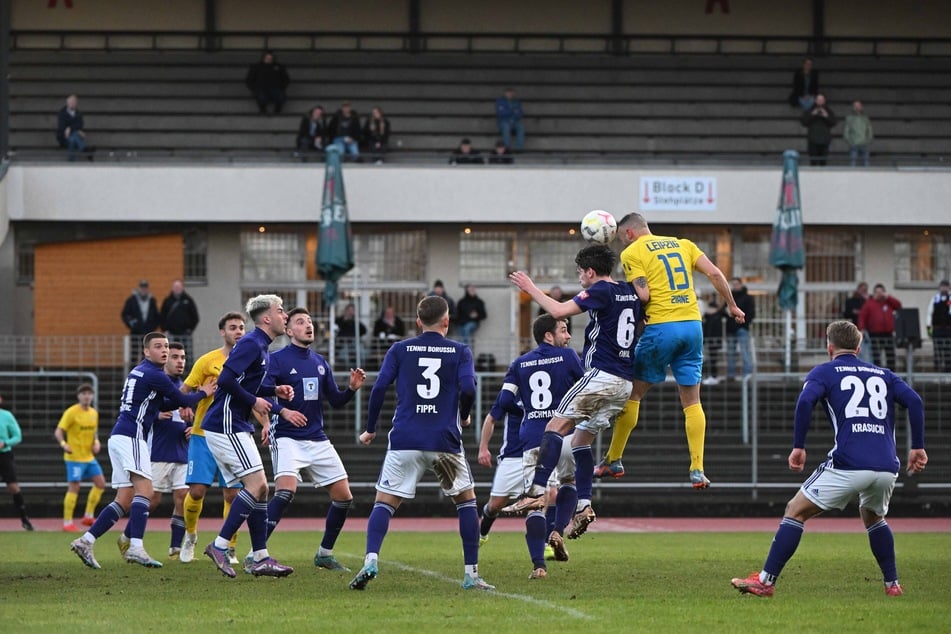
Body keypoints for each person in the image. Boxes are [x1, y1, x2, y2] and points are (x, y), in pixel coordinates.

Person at [731, 320, 927, 598]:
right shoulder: (884, 374)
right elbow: (915, 402)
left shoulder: (824, 371)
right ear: (859, 348)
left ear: (829, 347)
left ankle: (766, 580)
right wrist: (917, 447)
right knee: (874, 517)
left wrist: (798, 446)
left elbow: (805, 401)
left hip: (849, 462)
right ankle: (892, 584)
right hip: (886, 466)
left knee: (795, 511)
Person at [349, 296, 494, 592]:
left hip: (405, 439)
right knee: (466, 502)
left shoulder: (400, 349)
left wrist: (369, 429)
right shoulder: (460, 350)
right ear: (447, 320)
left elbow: (378, 388)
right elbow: (468, 388)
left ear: (417, 322)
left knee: (384, 502)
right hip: (444, 440)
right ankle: (471, 574)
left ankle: (371, 559)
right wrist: (464, 417)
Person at [501, 245, 641, 544]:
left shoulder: (601, 289)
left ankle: (535, 492)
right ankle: (585, 505)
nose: (579, 278)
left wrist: (530, 287)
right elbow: (643, 309)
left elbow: (558, 310)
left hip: (602, 375)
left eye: (579, 272)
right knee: (580, 441)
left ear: (590, 271)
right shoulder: (630, 290)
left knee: (554, 427)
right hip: (625, 384)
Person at [599, 212, 745, 488]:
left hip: (661, 328)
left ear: (628, 233)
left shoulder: (632, 252)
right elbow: (715, 273)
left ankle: (613, 459)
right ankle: (697, 469)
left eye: (620, 237)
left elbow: (643, 295)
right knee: (692, 401)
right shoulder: (684, 244)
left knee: (634, 394)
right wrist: (732, 306)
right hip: (692, 326)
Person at [69, 332, 213, 570]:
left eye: (166, 346)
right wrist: (204, 392)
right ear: (146, 351)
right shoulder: (155, 374)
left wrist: (182, 401)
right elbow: (182, 399)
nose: (164, 350)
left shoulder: (139, 371)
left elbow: (163, 403)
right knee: (146, 491)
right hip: (132, 436)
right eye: (158, 346)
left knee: (124, 497)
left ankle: (87, 540)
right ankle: (135, 546)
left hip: (119, 435)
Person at [254, 307, 366, 573]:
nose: (308, 325)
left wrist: (350, 389)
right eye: (301, 322)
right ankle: (257, 554)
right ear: (289, 330)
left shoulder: (320, 361)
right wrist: (282, 412)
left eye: (310, 321)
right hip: (286, 437)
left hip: (317, 439)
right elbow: (261, 394)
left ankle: (324, 554)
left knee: (344, 497)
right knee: (285, 491)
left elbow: (336, 401)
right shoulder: (276, 359)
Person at [200, 294, 296, 578]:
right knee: (257, 485)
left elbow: (247, 383)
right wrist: (255, 401)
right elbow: (226, 380)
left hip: (235, 424)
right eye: (281, 311)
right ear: (267, 318)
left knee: (261, 488)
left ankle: (260, 557)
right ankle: (219, 546)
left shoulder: (261, 347)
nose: (285, 316)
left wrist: (272, 393)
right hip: (226, 424)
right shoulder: (251, 343)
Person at [495, 314, 584, 579]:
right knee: (568, 483)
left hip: (534, 436)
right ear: (549, 335)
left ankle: (539, 566)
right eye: (564, 330)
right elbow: (584, 388)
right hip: (565, 432)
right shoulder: (568, 357)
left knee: (535, 502)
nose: (568, 336)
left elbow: (503, 401)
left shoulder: (519, 363)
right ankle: (557, 529)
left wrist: (528, 412)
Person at [179, 311, 247, 564]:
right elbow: (184, 390)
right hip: (202, 434)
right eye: (233, 327)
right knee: (196, 491)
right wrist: (186, 404)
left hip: (232, 434)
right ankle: (191, 536)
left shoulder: (250, 361)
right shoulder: (208, 361)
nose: (238, 331)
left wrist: (264, 424)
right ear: (223, 332)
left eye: (241, 327)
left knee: (232, 494)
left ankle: (229, 546)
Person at [142, 341, 192, 560]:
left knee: (182, 497)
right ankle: (130, 539)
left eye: (182, 357)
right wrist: (154, 415)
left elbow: (193, 413)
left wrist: (193, 426)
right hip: (158, 451)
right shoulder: (156, 384)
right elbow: (136, 410)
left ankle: (175, 548)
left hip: (182, 450)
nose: (180, 361)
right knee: (151, 500)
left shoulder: (186, 386)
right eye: (175, 357)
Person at [55, 383, 106, 532]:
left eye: (89, 393)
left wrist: (96, 442)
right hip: (74, 458)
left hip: (88, 457)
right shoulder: (71, 412)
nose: (86, 396)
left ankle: (88, 516)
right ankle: (67, 522)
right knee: (74, 487)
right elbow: (58, 431)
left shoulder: (93, 413)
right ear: (79, 396)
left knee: (101, 483)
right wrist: (64, 444)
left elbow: (94, 432)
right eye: (83, 393)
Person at [0, 394, 33, 531]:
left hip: (4, 455)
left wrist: (5, 442)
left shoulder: (6, 416)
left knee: (13, 486)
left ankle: (24, 519)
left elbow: (17, 436)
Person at [857, 283, 902, 370]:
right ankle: (877, 373)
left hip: (888, 334)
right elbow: (862, 316)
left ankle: (891, 373)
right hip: (875, 334)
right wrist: (861, 328)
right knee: (876, 356)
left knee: (890, 355)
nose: (879, 294)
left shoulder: (889, 302)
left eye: (881, 292)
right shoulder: (869, 304)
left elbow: (898, 305)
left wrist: (888, 297)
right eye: (877, 292)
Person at [159, 279, 200, 364]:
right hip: (171, 333)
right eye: (175, 287)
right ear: (172, 288)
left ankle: (187, 371)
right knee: (171, 353)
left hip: (185, 333)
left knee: (187, 354)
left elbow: (195, 317)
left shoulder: (188, 300)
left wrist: (190, 329)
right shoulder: (167, 301)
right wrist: (164, 330)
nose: (177, 289)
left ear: (182, 288)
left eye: (179, 287)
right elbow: (162, 316)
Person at [121, 280, 161, 363]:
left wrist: (152, 327)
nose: (143, 290)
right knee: (134, 353)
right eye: (142, 288)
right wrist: (132, 324)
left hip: (148, 332)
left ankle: (145, 372)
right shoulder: (132, 300)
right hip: (136, 331)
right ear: (139, 288)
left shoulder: (152, 301)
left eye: (145, 288)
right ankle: (133, 372)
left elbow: (156, 316)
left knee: (147, 353)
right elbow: (125, 314)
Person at [724, 277, 756, 380]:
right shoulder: (729, 298)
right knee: (730, 353)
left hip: (742, 328)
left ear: (741, 284)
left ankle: (747, 374)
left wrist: (743, 322)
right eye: (733, 284)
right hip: (731, 328)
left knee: (745, 351)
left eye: (736, 284)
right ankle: (731, 374)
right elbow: (724, 311)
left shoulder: (747, 298)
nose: (735, 286)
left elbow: (751, 313)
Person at [245, 51, 289, 115]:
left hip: (275, 88)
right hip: (261, 88)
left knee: (281, 96)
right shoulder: (256, 67)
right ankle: (263, 109)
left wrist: (282, 87)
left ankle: (277, 110)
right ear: (263, 58)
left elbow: (286, 79)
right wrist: (254, 89)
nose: (269, 59)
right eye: (267, 58)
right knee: (261, 97)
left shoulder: (279, 66)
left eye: (270, 58)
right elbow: (249, 80)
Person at [801, 94, 837, 166]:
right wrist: (812, 114)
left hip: (824, 140)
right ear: (815, 101)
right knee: (813, 161)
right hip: (813, 140)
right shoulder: (810, 110)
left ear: (824, 101)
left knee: (823, 162)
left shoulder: (828, 111)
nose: (820, 101)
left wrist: (826, 116)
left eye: (821, 100)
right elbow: (804, 122)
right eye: (818, 100)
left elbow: (834, 122)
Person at [844, 282, 873, 363]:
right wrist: (854, 312)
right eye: (862, 290)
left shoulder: (869, 300)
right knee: (857, 348)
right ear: (858, 290)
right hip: (856, 328)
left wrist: (867, 300)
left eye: (865, 290)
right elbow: (846, 314)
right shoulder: (851, 301)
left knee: (868, 350)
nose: (863, 292)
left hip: (869, 329)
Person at [926, 279, 951, 373]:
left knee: (948, 351)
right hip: (937, 330)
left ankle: (948, 371)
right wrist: (929, 329)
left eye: (946, 287)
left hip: (949, 330)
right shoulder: (935, 299)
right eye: (942, 286)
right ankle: (937, 370)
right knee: (937, 351)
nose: (944, 289)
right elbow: (929, 314)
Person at [55, 94, 89, 161]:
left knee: (73, 139)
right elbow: (62, 127)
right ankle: (84, 148)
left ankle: (71, 162)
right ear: (67, 102)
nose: (72, 104)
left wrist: (70, 128)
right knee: (73, 137)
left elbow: (80, 125)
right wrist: (76, 130)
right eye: (71, 102)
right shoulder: (62, 113)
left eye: (74, 102)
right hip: (64, 137)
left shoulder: (78, 114)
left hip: (75, 137)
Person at [335, 302, 368, 369]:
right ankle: (348, 370)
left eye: (352, 310)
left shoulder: (355, 321)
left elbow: (364, 330)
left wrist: (355, 320)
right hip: (343, 343)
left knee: (362, 352)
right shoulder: (339, 320)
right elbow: (336, 330)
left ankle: (360, 369)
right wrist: (345, 320)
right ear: (346, 311)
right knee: (345, 356)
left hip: (354, 342)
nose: (350, 312)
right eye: (349, 310)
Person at [701, 293, 724, 385]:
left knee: (713, 359)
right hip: (709, 341)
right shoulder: (708, 318)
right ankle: (710, 376)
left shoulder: (716, 317)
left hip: (714, 341)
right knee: (708, 359)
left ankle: (713, 376)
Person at [843, 100, 874, 167]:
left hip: (864, 144)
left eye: (858, 105)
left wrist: (868, 140)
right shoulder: (849, 118)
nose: (857, 107)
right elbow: (846, 131)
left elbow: (869, 130)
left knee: (866, 163)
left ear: (861, 107)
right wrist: (850, 141)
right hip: (854, 144)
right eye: (855, 106)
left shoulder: (865, 118)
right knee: (853, 163)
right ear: (853, 107)